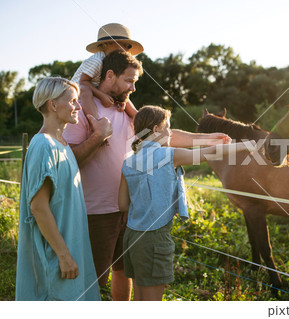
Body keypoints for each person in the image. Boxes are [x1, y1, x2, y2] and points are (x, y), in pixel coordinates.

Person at [63, 50, 231, 301]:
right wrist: (98, 136)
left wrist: (206, 138)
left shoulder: (128, 113)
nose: (132, 88)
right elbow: (68, 160)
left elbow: (164, 135)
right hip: (96, 211)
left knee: (124, 273)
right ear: (110, 75)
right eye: (129, 81)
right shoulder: (81, 112)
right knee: (93, 279)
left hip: (131, 211)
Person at [118, 105, 257, 301]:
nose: (170, 132)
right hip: (154, 238)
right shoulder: (168, 155)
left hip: (132, 236)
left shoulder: (128, 162)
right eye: (168, 127)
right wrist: (248, 145)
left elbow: (123, 205)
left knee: (139, 296)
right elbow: (211, 153)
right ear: (156, 130)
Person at [15, 77, 100, 301]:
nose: (79, 107)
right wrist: (63, 256)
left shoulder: (62, 144)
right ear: (53, 105)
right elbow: (38, 208)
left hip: (70, 247)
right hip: (54, 256)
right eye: (73, 101)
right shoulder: (43, 145)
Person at [71, 23, 144, 121]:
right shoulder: (96, 60)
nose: (127, 50)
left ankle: (138, 116)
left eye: (129, 46)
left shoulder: (110, 63)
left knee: (122, 90)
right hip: (76, 91)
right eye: (125, 45)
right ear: (108, 44)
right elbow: (83, 82)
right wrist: (102, 96)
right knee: (85, 90)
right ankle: (95, 122)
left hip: (93, 88)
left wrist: (121, 100)